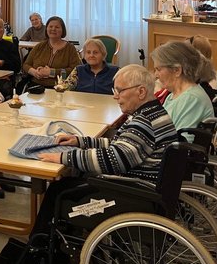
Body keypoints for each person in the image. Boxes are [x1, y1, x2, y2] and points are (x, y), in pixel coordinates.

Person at [20, 65, 178, 241]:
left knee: (59, 191)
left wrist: (65, 157)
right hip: (143, 189)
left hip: (133, 195)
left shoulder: (143, 122)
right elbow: (120, 145)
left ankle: (39, 246)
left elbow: (114, 160)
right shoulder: (153, 113)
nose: (115, 96)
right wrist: (81, 142)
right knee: (66, 184)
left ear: (141, 92)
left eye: (119, 90)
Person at [150, 41, 215, 138]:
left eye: (158, 69)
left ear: (177, 70)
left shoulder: (192, 99)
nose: (156, 75)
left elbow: (180, 141)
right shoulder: (173, 95)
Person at [22, 16, 80, 88]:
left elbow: (75, 70)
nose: (53, 29)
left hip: (61, 88)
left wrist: (52, 72)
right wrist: (34, 72)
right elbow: (26, 65)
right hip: (36, 86)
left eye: (57, 27)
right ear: (46, 29)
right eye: (50, 26)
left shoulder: (70, 48)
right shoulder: (39, 46)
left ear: (63, 30)